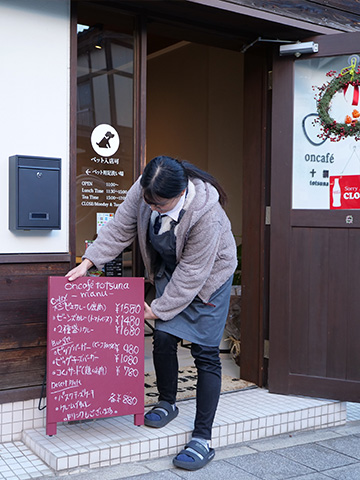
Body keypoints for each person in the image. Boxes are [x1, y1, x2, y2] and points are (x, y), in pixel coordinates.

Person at [66, 155, 237, 471]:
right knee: (162, 337)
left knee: (206, 353)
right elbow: (119, 227)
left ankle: (202, 438)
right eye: (150, 204)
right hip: (172, 272)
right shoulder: (146, 189)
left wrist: (156, 309)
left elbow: (193, 272)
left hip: (208, 279)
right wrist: (88, 263)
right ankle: (167, 402)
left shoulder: (207, 215)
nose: (154, 209)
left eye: (160, 205)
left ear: (181, 192)